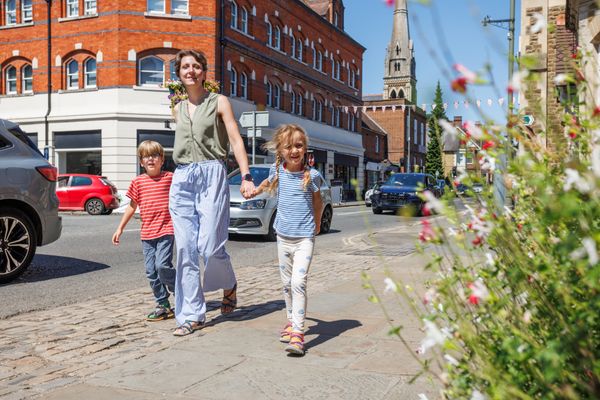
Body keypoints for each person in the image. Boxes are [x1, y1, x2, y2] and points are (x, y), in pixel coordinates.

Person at [169, 49, 255, 336]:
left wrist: (245, 175)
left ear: (204, 72)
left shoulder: (219, 102)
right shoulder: (176, 106)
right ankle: (192, 315)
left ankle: (228, 283)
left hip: (211, 173)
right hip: (182, 177)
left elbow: (234, 138)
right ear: (179, 73)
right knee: (184, 249)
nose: (190, 70)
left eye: (195, 66)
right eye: (185, 67)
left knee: (209, 245)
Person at [253, 124, 324, 356]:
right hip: (282, 236)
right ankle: (291, 321)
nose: (294, 150)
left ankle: (298, 333)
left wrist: (317, 224)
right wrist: (253, 191)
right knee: (286, 285)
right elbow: (266, 184)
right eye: (288, 146)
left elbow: (318, 202)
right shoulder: (278, 172)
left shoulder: (312, 175)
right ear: (280, 150)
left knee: (298, 283)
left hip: (304, 238)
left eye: (299, 145)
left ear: (305, 149)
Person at [112, 140, 175, 321]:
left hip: (166, 229)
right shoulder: (138, 182)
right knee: (151, 271)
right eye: (146, 156)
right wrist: (120, 228)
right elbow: (132, 207)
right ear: (141, 162)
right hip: (147, 233)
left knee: (162, 266)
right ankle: (163, 304)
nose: (150, 159)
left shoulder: (169, 178)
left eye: (155, 155)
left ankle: (179, 288)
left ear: (162, 159)